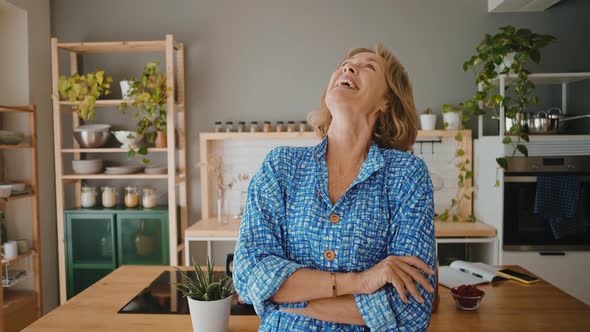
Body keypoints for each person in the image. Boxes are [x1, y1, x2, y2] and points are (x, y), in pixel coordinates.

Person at [233, 43, 436, 331]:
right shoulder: (281, 167)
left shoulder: (405, 175)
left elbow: (413, 310)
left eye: (369, 67)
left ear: (386, 102)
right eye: (346, 64)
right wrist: (361, 282)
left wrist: (284, 299)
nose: (349, 67)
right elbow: (248, 275)